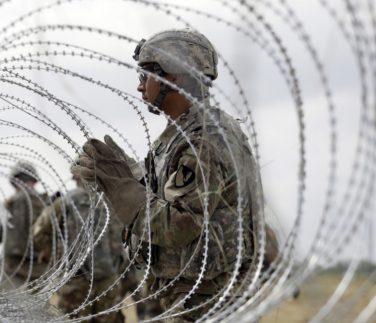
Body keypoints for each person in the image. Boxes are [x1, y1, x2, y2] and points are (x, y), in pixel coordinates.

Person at [71, 28, 265, 322]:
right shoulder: (184, 135)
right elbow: (167, 193)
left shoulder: (204, 140)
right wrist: (127, 172)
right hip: (191, 294)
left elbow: (179, 224)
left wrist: (119, 187)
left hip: (205, 299)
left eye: (145, 75)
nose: (139, 87)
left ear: (174, 76)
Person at [33, 172, 125, 323]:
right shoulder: (111, 203)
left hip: (78, 278)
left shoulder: (66, 202)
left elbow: (39, 232)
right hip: (108, 276)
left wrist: (59, 259)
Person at [0, 162, 48, 291]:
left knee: (4, 307)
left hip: (12, 268)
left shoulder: (10, 204)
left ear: (16, 180)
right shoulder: (48, 203)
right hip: (40, 267)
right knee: (37, 308)